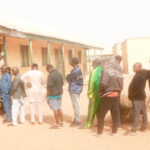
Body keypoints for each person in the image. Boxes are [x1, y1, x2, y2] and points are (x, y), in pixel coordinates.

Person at [95, 56, 123, 136]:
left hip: (108, 94)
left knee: (100, 114)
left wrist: (100, 92)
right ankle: (114, 131)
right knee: (115, 113)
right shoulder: (118, 72)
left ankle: (99, 132)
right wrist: (118, 91)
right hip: (116, 94)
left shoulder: (107, 71)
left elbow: (103, 83)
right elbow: (121, 85)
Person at [127, 63, 150, 136]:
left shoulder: (139, 76)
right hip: (142, 96)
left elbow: (137, 88)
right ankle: (144, 127)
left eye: (134, 67)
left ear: (138, 67)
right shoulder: (143, 73)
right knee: (144, 112)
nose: (132, 68)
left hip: (137, 97)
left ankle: (133, 130)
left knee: (136, 113)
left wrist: (132, 95)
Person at [66, 57, 83, 127]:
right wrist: (70, 79)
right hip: (75, 89)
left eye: (71, 61)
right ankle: (76, 119)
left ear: (73, 62)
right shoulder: (76, 70)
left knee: (76, 105)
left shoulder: (76, 70)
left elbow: (68, 78)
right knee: (75, 105)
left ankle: (78, 120)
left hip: (75, 89)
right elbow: (69, 78)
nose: (70, 62)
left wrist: (69, 78)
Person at [85, 59, 102, 128]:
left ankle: (88, 124)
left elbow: (92, 83)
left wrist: (90, 92)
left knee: (91, 109)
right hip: (102, 93)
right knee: (99, 109)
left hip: (95, 93)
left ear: (94, 64)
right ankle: (100, 123)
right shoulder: (102, 70)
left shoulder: (94, 71)